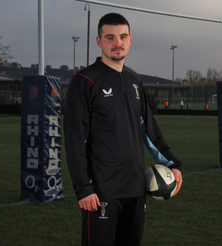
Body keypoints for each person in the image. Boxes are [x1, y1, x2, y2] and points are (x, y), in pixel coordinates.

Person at [64, 13, 183, 246]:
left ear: (130, 40)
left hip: (136, 188)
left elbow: (149, 128)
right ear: (99, 42)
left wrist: (172, 163)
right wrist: (83, 187)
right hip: (101, 191)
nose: (117, 43)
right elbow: (75, 138)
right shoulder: (85, 80)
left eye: (122, 36)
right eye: (110, 37)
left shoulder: (134, 79)